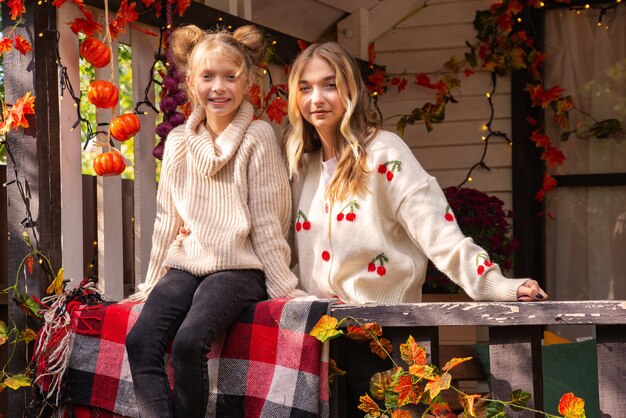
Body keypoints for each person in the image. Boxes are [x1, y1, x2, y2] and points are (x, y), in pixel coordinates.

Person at [284, 42, 548, 415]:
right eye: (305, 87)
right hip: (319, 341)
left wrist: (494, 284)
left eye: (329, 84)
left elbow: (436, 230)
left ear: (350, 91)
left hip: (384, 339)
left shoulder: (384, 153)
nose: (317, 98)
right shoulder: (301, 166)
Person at [125, 24, 302, 418]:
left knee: (189, 343)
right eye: (207, 76)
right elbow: (167, 219)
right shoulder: (177, 144)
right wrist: (152, 282)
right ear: (190, 82)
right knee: (141, 340)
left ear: (248, 81)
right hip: (189, 262)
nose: (218, 87)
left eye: (230, 76)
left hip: (240, 268)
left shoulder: (258, 137)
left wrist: (283, 286)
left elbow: (269, 219)